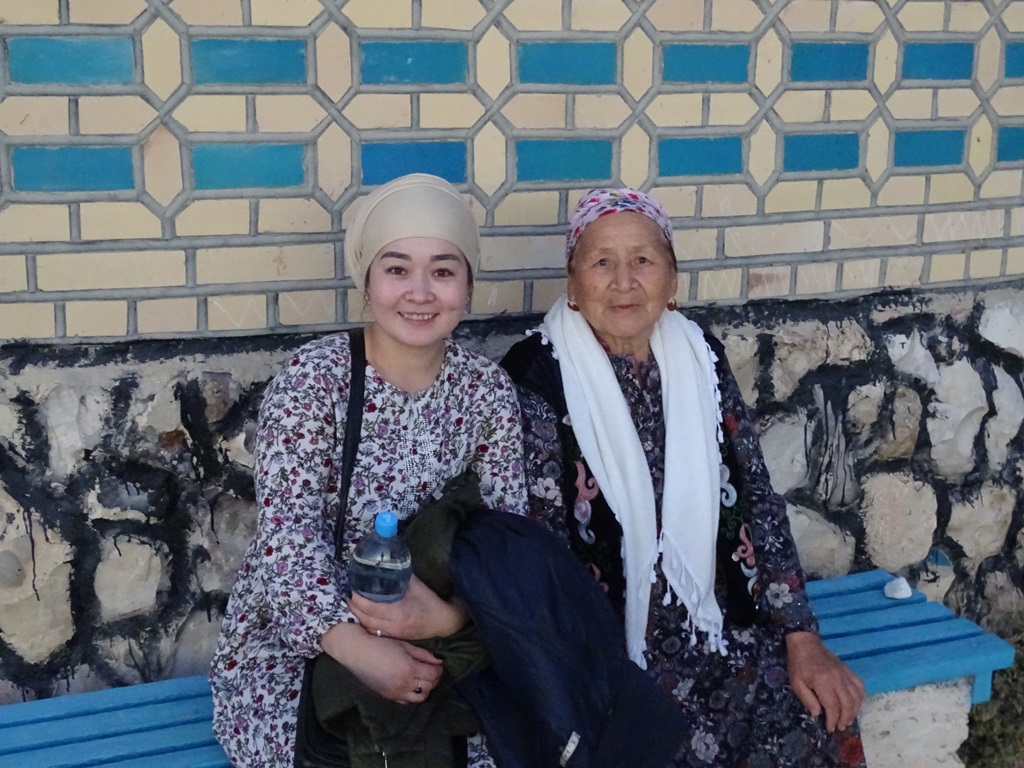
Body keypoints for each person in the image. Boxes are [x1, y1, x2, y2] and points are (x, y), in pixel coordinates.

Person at [500, 188, 867, 768]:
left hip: (716, 627)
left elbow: (758, 502)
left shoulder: (701, 358)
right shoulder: (535, 376)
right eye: (601, 262)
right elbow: (537, 552)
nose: (624, 281)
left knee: (813, 708)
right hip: (607, 651)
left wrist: (801, 637)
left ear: (672, 282)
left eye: (643, 260)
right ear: (572, 286)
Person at [210, 173, 527, 768]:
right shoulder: (316, 380)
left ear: (468, 284)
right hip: (303, 638)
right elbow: (288, 536)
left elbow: (511, 541)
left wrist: (450, 616)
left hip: (443, 634)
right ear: (368, 282)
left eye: (443, 269)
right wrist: (354, 645)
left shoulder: (486, 393)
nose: (420, 292)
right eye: (397, 268)